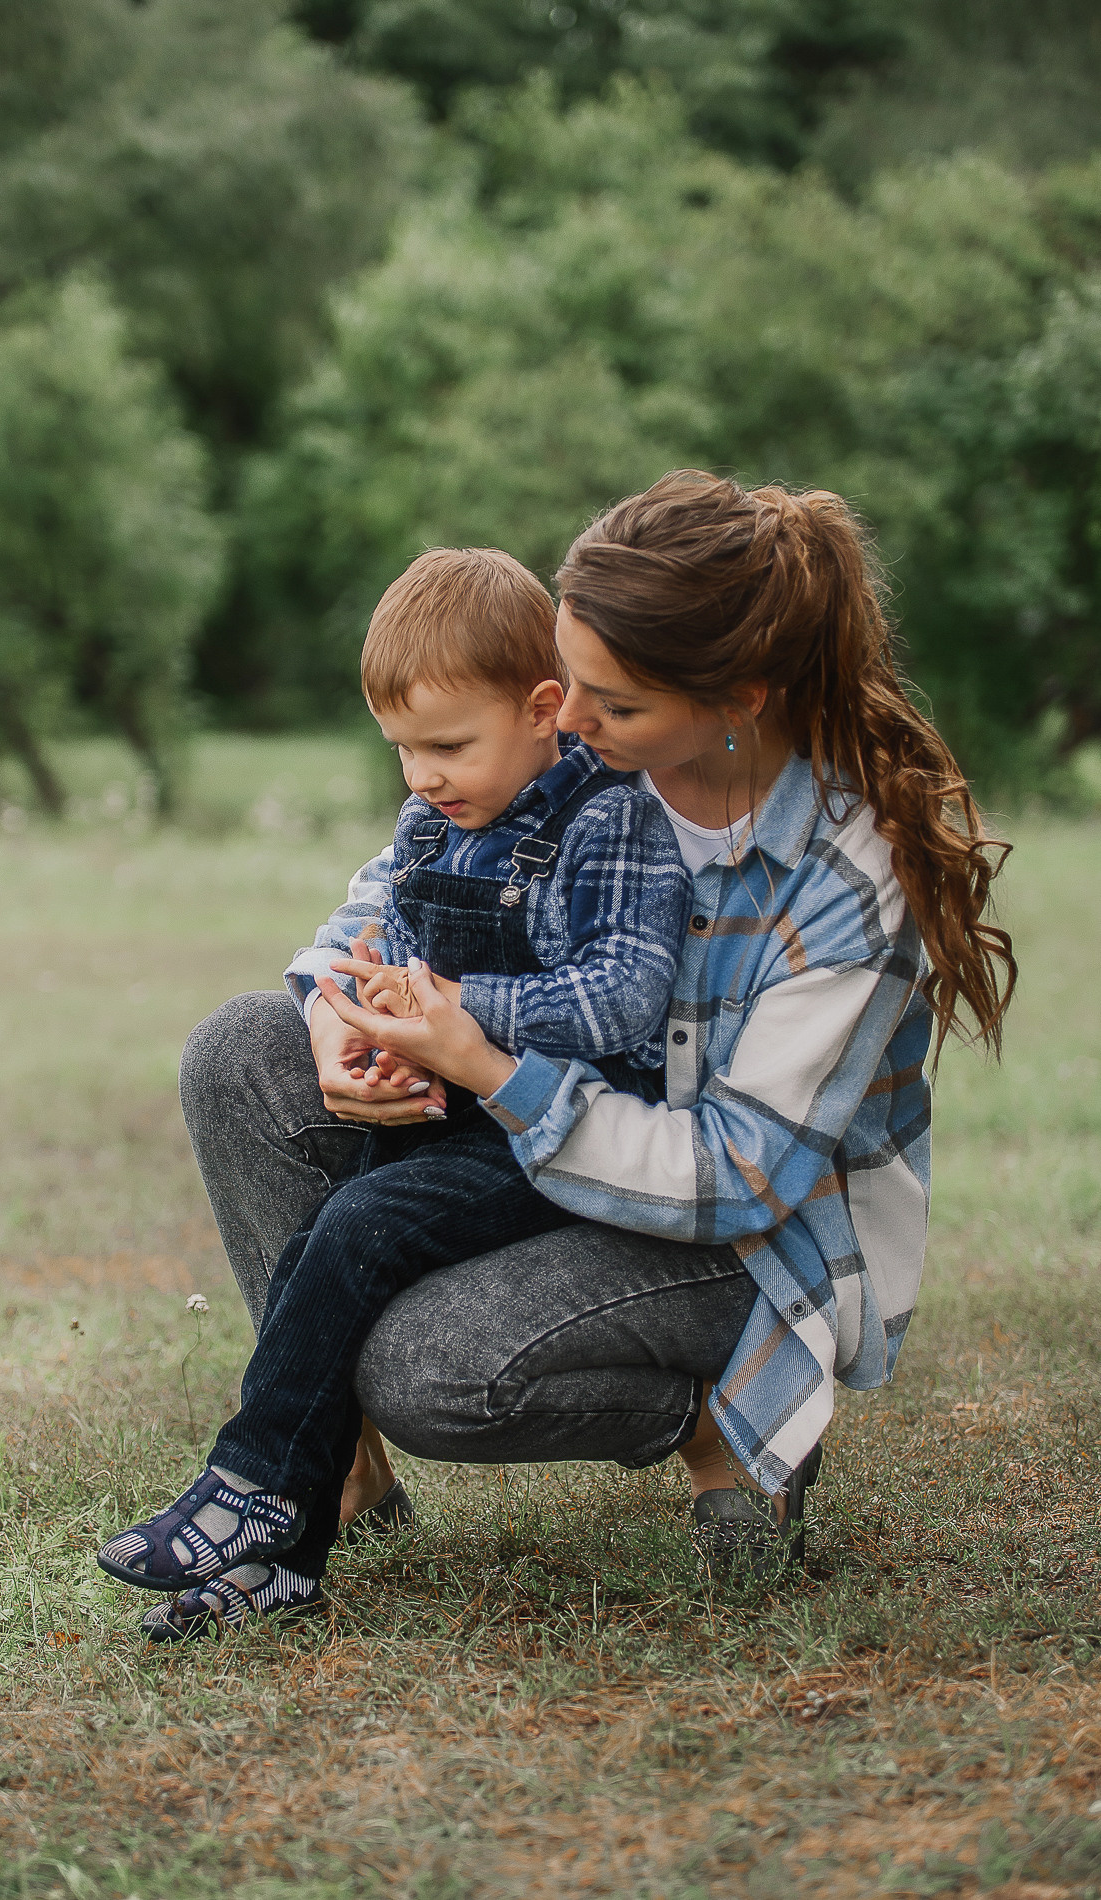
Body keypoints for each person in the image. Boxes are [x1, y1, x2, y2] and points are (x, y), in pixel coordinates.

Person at [146, 470, 1016, 1639]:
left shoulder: (842, 883)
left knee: (430, 1369)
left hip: (738, 1225)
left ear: (733, 700)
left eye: (604, 703)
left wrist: (489, 1064)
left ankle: (721, 1425)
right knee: (240, 1046)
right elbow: (390, 893)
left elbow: (736, 1172)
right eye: (564, 686)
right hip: (552, 1125)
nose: (564, 723)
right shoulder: (596, 758)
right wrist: (339, 1014)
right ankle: (324, 1463)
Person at [98, 546, 690, 1639]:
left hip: (552, 1129)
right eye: (402, 749)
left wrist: (456, 1013)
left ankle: (253, 1483)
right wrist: (369, 1024)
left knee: (358, 1224)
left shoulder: (611, 821)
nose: (421, 774)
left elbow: (624, 999)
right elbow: (372, 947)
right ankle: (288, 1554)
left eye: (447, 745)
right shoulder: (434, 822)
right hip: (444, 1107)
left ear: (543, 709)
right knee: (332, 1231)